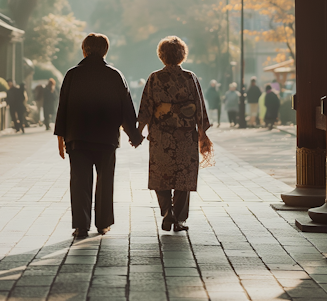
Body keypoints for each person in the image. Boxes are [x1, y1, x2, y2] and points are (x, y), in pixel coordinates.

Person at [54, 33, 143, 239]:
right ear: (105, 51)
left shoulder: (72, 75)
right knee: (105, 181)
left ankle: (81, 226)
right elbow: (126, 109)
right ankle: (103, 224)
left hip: (77, 137)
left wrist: (60, 137)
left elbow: (63, 107)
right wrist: (134, 135)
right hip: (106, 138)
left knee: (79, 181)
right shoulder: (115, 75)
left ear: (84, 50)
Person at [138, 35, 212, 233]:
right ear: (182, 55)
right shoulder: (190, 78)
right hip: (185, 135)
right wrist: (203, 133)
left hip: (161, 135)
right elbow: (199, 106)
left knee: (161, 175)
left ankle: (166, 212)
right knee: (183, 176)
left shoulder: (155, 77)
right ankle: (179, 219)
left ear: (161, 56)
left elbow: (146, 106)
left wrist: (137, 132)